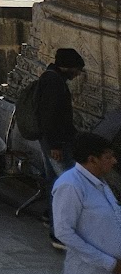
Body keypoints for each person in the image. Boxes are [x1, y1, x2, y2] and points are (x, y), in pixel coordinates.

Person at [51, 131, 121, 274]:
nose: (114, 161)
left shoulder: (101, 183)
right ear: (93, 159)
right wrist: (110, 264)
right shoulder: (71, 185)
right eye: (108, 156)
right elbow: (64, 232)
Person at [36, 47, 86, 185]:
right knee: (66, 180)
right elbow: (49, 115)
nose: (77, 74)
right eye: (77, 69)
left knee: (54, 179)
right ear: (68, 67)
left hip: (51, 139)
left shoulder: (52, 78)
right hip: (55, 141)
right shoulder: (54, 82)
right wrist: (55, 146)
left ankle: (54, 206)